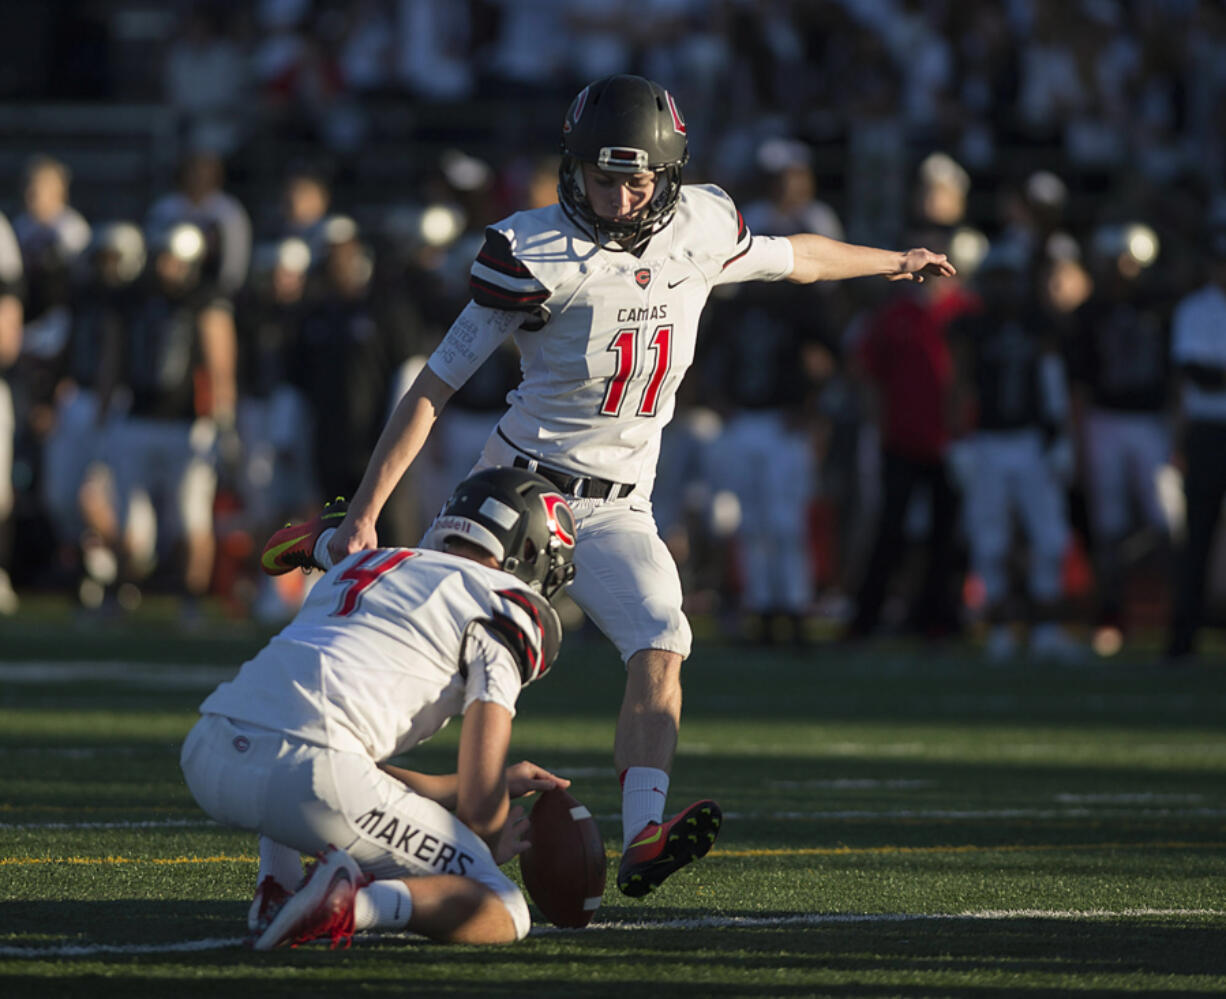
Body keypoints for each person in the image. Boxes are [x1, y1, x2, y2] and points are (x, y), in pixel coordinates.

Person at [312, 75, 954, 899]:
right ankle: (335, 799)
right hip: (513, 494)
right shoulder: (531, 251)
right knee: (440, 676)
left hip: (618, 505)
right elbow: (433, 387)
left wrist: (892, 261)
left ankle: (645, 833)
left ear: (669, 177)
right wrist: (366, 510)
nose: (618, 197)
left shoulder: (700, 228)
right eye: (602, 178)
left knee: (663, 636)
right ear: (571, 171)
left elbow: (797, 259)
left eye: (636, 179)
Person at [183, 467, 578, 948]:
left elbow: (295, 545)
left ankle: (278, 887)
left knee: (307, 711)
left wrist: (461, 791)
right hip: (309, 777)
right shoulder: (508, 606)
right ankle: (358, 900)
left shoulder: (365, 564)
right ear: (531, 551)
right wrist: (484, 839)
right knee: (503, 907)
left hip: (208, 751)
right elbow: (480, 804)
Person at [1164, 222, 1226, 665]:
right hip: (1207, 432)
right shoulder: (1196, 309)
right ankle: (1183, 637)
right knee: (1197, 538)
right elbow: (1196, 372)